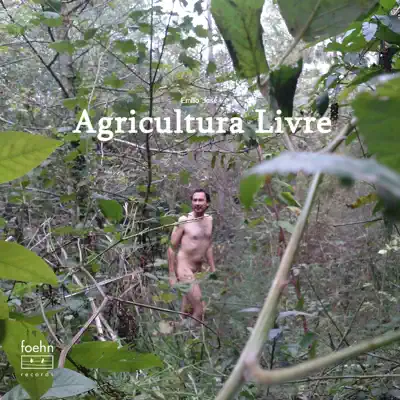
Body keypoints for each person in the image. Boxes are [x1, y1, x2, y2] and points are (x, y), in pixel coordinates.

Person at [167, 189, 215, 327]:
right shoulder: (184, 221)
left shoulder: (209, 220)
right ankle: (193, 333)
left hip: (197, 270)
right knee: (200, 310)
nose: (197, 203)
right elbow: (171, 248)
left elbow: (208, 245)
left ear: (207, 203)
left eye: (201, 200)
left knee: (186, 312)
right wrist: (172, 274)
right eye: (195, 200)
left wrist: (213, 268)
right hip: (184, 269)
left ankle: (176, 332)